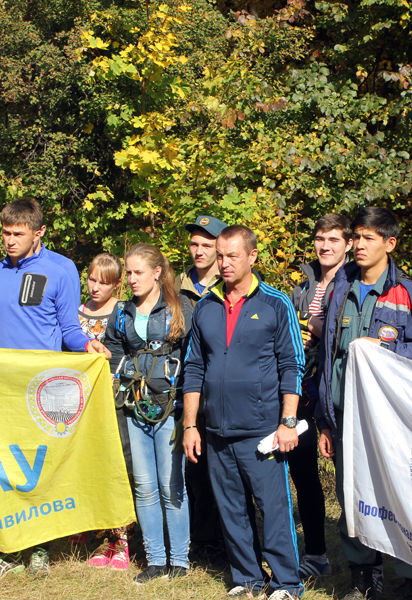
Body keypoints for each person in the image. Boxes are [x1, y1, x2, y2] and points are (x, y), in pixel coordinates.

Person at [0, 197, 106, 579]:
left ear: (38, 232)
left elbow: (70, 330)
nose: (9, 241)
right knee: (1, 465)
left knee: (36, 466)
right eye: (5, 233)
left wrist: (86, 345)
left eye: (17, 234)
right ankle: (6, 548)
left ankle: (39, 546)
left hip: (42, 388)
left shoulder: (61, 269)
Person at [315, 207, 412, 600]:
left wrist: (385, 346)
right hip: (344, 416)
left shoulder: (410, 293)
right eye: (357, 237)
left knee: (397, 498)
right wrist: (324, 420)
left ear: (390, 244)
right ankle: (363, 576)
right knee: (352, 498)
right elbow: (328, 356)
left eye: (369, 238)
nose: (359, 245)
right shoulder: (340, 287)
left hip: (389, 423)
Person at [182, 225, 304, 600]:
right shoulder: (205, 306)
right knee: (231, 509)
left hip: (263, 431)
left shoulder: (274, 302)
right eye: (221, 255)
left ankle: (286, 583)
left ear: (252, 256)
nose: (225, 263)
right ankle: (247, 578)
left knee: (273, 510)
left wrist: (287, 422)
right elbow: (193, 368)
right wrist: (190, 425)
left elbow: (292, 365)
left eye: (233, 255)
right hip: (216, 431)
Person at [103, 243, 192, 583]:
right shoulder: (123, 311)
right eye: (128, 272)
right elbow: (113, 349)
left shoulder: (179, 308)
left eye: (138, 272)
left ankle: (180, 560)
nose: (131, 279)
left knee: (172, 485)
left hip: (170, 408)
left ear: (157, 272)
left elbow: (194, 356)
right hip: (133, 407)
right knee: (144, 486)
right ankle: (155, 560)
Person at [289, 213, 353, 580]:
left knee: (349, 480)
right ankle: (315, 553)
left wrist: (317, 326)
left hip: (336, 390)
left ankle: (367, 563)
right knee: (303, 470)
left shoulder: (352, 283)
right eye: (319, 239)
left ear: (347, 244)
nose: (325, 246)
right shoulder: (306, 282)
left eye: (333, 240)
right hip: (302, 388)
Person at [174, 214, 228, 563]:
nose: (198, 250)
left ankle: (227, 541)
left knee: (223, 470)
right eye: (194, 244)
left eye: (206, 245)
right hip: (184, 388)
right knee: (192, 470)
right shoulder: (174, 285)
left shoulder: (233, 282)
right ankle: (200, 539)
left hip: (223, 390)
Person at [72, 253, 132, 559]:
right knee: (82, 459)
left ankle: (119, 535)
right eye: (92, 279)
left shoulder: (122, 313)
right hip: (79, 399)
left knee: (114, 462)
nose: (96, 287)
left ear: (117, 284)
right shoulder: (76, 312)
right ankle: (85, 522)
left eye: (104, 283)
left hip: (113, 400)